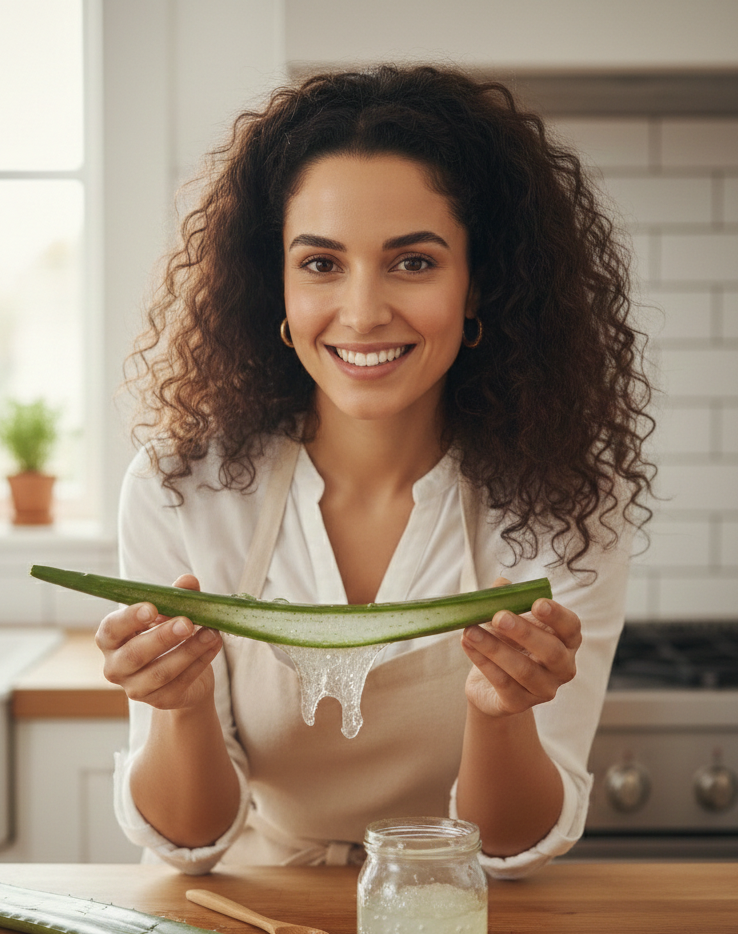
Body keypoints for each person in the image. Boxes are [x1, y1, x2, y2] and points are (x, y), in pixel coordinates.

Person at [96, 64, 655, 879]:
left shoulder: (569, 506)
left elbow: (511, 849)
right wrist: (177, 707)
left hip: (456, 906)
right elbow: (189, 840)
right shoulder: (180, 488)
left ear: (479, 283)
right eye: (321, 265)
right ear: (274, 286)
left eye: (414, 263)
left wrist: (502, 715)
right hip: (250, 908)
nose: (362, 314)